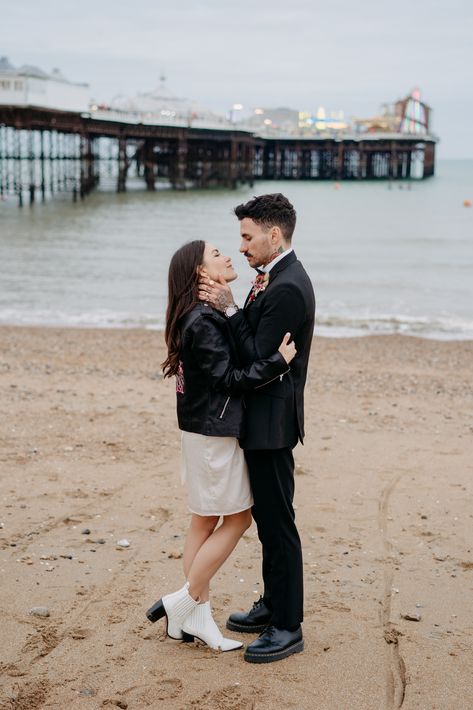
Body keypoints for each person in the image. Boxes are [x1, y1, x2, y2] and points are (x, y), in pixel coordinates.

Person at [146, 239, 297, 652]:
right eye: (216, 254)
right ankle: (185, 601)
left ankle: (195, 618)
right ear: (199, 272)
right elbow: (230, 378)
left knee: (202, 521)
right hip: (213, 435)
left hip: (200, 432)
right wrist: (277, 364)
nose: (229, 255)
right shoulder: (203, 320)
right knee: (238, 519)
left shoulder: (196, 315)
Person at [199, 193, 315, 663]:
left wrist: (227, 308)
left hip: (271, 420)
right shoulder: (272, 275)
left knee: (279, 523)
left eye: (247, 238)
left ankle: (288, 625)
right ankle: (273, 604)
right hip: (263, 415)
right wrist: (234, 309)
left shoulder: (287, 286)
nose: (242, 247)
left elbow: (256, 356)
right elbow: (254, 332)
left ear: (274, 234)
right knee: (268, 519)